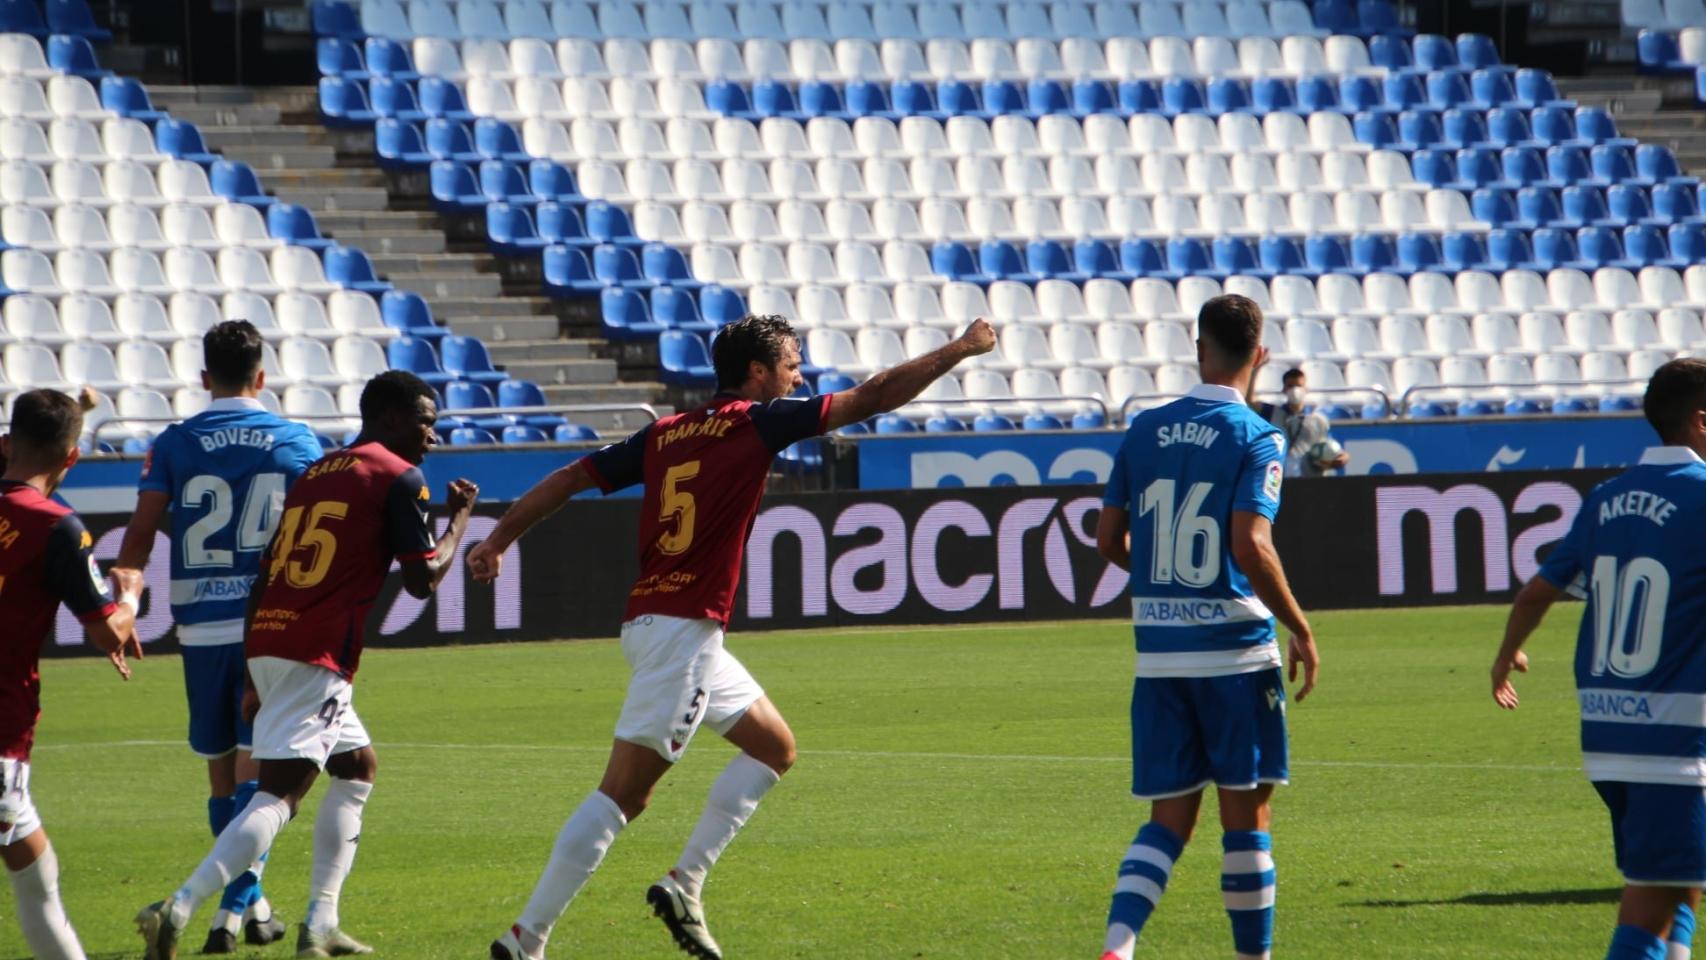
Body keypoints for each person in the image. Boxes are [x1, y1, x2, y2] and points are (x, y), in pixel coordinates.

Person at [468, 313, 996, 960]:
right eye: (792, 363)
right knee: (625, 795)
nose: (798, 374)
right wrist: (964, 347)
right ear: (757, 371)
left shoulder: (664, 433)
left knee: (773, 747)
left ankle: (685, 882)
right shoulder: (758, 422)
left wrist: (497, 538)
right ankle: (526, 937)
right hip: (682, 633)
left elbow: (568, 478)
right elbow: (877, 394)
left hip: (655, 624)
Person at [136, 370, 479, 960]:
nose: (433, 435)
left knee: (357, 767)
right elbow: (423, 581)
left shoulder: (317, 473)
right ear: (391, 418)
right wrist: (461, 520)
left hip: (272, 641)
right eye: (427, 421)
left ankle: (320, 922)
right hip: (316, 653)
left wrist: (251, 670)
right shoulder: (398, 477)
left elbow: (265, 574)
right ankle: (180, 906)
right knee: (279, 796)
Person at [1094, 294, 1319, 960]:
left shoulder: (1142, 430)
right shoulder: (1256, 436)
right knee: (1247, 820)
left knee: (1168, 819)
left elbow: (1108, 537)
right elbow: (1252, 545)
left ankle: (1118, 945)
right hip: (1235, 655)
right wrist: (1300, 626)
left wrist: (1161, 583)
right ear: (1261, 356)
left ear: (1199, 349)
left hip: (1160, 658)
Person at [111, 321, 321, 953]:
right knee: (263, 780)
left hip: (200, 628)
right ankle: (229, 913)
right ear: (263, 376)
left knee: (222, 777)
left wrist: (125, 602)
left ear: (205, 378)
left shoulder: (174, 443)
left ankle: (246, 916)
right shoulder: (298, 441)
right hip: (271, 627)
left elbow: (140, 537)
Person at [1491, 357, 1706, 960]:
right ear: (1701, 421)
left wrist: (1507, 654)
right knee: (1650, 901)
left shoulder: (1608, 496)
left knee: (1679, 883)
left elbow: (1538, 590)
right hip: (1675, 738)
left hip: (1610, 732)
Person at [0, 388, 144, 960]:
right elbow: (107, 632)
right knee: (36, 874)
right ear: (72, 458)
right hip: (1, 727)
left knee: (37, 869)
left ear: (8, 442)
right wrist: (129, 596)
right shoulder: (55, 526)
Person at [1251, 368, 1350, 477]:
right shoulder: (1272, 413)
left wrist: (1342, 457)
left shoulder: (1318, 420)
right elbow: (1250, 401)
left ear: (1306, 389)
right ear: (1283, 390)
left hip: (1309, 479)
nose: (1295, 390)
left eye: (1299, 386)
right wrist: (1255, 370)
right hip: (1279, 479)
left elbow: (1330, 447)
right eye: (1290, 386)